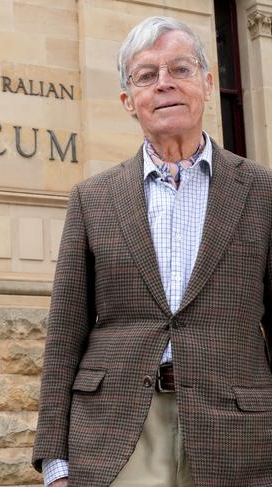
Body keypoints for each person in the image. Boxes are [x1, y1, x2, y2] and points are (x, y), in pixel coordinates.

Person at [33, 15, 272, 487]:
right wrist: (54, 461)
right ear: (128, 101)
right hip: (117, 430)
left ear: (206, 83)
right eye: (147, 75)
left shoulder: (262, 191)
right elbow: (65, 331)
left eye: (180, 70)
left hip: (239, 435)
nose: (165, 84)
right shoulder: (92, 198)